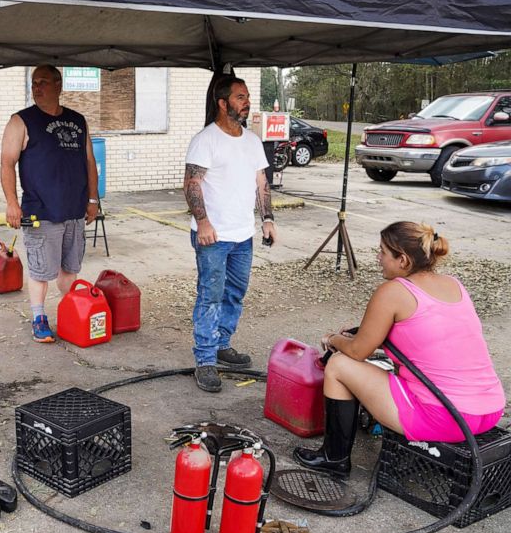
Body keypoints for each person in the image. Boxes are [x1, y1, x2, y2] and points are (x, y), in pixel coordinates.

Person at [294, 222, 505, 477]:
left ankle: (333, 458)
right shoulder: (454, 284)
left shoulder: (393, 292)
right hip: (490, 409)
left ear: (403, 260)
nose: (378, 258)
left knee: (339, 365)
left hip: (446, 419)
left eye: (382, 252)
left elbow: (358, 352)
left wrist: (334, 339)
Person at [183, 75, 274, 393]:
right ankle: (205, 360)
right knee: (210, 297)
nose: (246, 102)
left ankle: (222, 344)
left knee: (234, 294)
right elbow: (192, 184)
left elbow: (261, 181)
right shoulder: (205, 139)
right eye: (239, 97)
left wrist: (268, 219)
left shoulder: (251, 141)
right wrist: (204, 223)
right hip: (213, 238)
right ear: (222, 103)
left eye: (247, 96)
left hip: (242, 236)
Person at [0, 65, 99, 342]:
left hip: (74, 210)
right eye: (34, 83)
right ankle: (38, 317)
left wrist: (93, 199)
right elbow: (7, 163)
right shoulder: (20, 121)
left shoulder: (78, 120)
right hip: (40, 210)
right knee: (41, 270)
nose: (37, 87)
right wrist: (11, 203)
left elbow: (89, 161)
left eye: (43, 82)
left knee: (70, 268)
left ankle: (69, 313)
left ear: (59, 85)